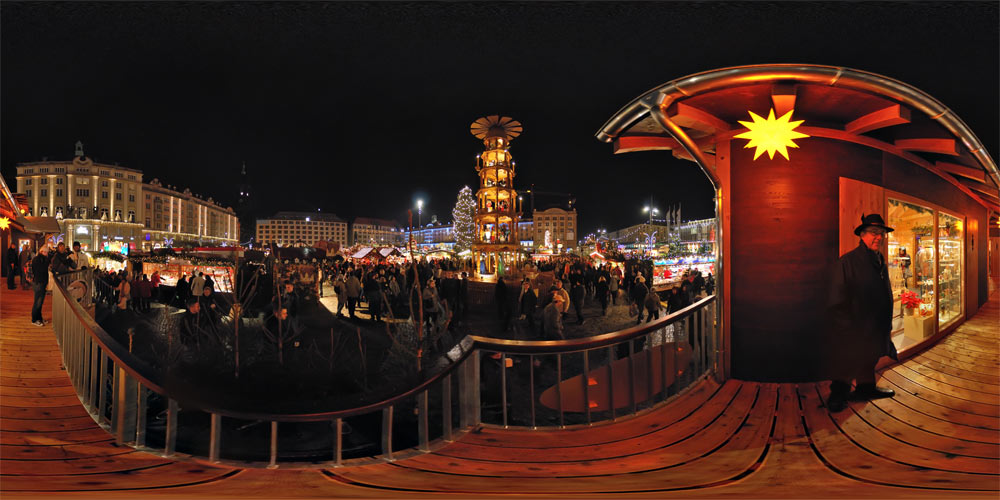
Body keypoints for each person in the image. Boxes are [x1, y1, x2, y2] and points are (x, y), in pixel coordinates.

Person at [825, 213, 899, 413]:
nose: (878, 237)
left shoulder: (879, 259)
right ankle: (838, 394)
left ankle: (866, 389)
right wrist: (847, 328)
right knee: (847, 361)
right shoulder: (847, 262)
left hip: (875, 325)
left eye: (881, 233)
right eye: (874, 233)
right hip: (854, 328)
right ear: (862, 235)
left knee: (870, 358)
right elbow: (835, 300)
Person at [29, 245, 51, 326]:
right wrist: (47, 261)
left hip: (41, 282)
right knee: (37, 302)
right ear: (41, 251)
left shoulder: (41, 259)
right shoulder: (38, 259)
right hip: (38, 283)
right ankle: (34, 319)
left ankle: (39, 318)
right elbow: (41, 270)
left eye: (47, 252)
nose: (46, 253)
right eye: (44, 252)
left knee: (40, 302)